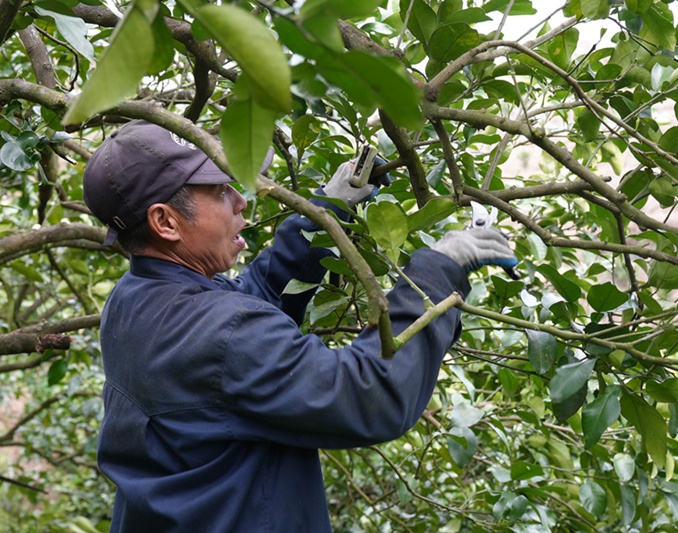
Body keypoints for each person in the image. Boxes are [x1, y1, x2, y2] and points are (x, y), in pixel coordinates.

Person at [83, 120, 518, 532]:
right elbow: (370, 394)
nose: (241, 200)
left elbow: (241, 306)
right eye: (218, 191)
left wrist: (324, 211)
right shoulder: (221, 332)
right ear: (165, 222)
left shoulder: (134, 298)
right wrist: (439, 271)